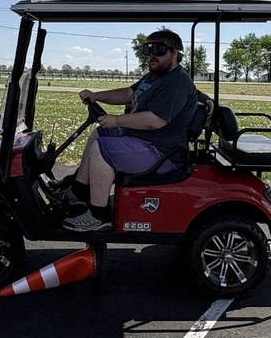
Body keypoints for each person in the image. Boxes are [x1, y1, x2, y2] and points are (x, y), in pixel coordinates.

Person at [63, 29, 204, 232]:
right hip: (143, 142)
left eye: (159, 49)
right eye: (149, 49)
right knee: (99, 134)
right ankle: (79, 192)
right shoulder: (155, 77)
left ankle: (98, 215)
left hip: (161, 152)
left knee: (101, 150)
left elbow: (155, 121)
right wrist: (96, 96)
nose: (152, 55)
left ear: (175, 53)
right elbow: (129, 93)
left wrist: (117, 120)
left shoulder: (177, 82)